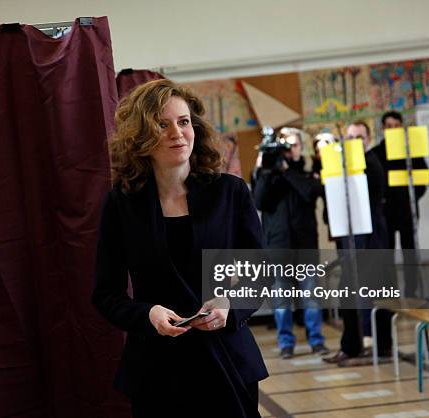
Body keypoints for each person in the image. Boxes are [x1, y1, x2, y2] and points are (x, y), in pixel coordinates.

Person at [92, 79, 268, 417]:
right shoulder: (121, 204)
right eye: (162, 124)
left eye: (183, 121)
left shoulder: (230, 193)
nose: (177, 133)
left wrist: (229, 306)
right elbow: (106, 294)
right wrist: (147, 314)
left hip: (226, 358)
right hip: (157, 368)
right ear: (141, 135)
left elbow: (257, 277)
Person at [253, 128, 328, 359]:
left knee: (311, 297)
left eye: (295, 145)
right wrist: (265, 170)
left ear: (300, 148)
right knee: (281, 299)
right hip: (277, 247)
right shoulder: (267, 173)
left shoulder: (309, 172)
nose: (290, 150)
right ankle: (286, 343)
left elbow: (309, 193)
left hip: (305, 246)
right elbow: (259, 201)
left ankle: (316, 341)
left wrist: (286, 172)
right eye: (286, 145)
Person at [324, 121, 393, 367]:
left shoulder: (371, 163)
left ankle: (375, 345)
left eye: (359, 137)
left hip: (370, 243)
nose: (354, 142)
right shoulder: (348, 167)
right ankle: (351, 346)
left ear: (368, 139)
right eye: (350, 138)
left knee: (370, 296)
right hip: (351, 243)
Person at [373, 111, 428, 297]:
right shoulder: (376, 153)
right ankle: (391, 291)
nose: (393, 129)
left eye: (396, 126)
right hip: (385, 213)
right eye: (389, 126)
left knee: (410, 253)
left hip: (407, 211)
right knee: (386, 254)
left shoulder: (411, 150)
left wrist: (412, 198)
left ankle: (412, 292)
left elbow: (422, 178)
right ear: (383, 129)